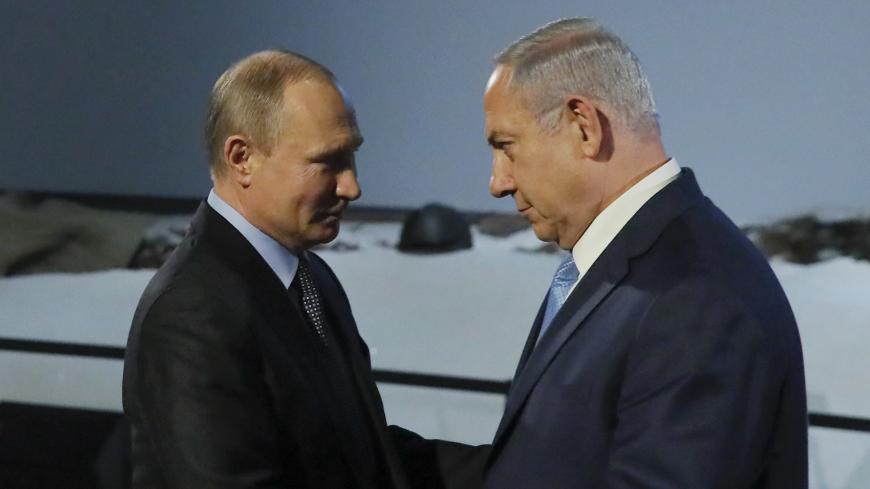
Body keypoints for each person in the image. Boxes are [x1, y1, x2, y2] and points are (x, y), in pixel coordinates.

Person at [123, 50, 476, 489]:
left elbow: (357, 455)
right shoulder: (192, 314)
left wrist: (523, 467)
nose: (352, 186)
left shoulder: (311, 279)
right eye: (328, 162)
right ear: (241, 158)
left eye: (351, 158)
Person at [482, 18, 807, 488]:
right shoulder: (647, 269)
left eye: (506, 147)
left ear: (583, 126)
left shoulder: (694, 299)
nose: (498, 183)